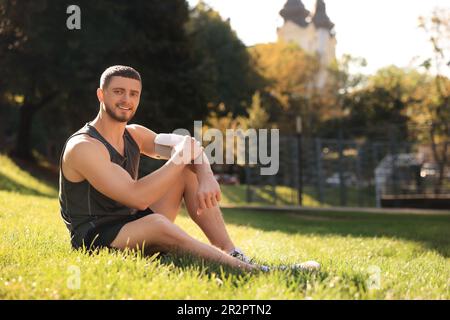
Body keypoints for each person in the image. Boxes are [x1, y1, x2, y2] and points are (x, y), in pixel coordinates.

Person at [59, 65, 319, 272]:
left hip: (131, 223)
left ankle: (229, 250)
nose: (127, 99)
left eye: (134, 93)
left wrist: (205, 175)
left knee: (187, 172)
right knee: (158, 222)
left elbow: (187, 144)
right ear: (101, 95)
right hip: (95, 239)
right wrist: (180, 158)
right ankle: (254, 271)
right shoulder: (84, 147)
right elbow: (137, 197)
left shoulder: (134, 134)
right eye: (118, 92)